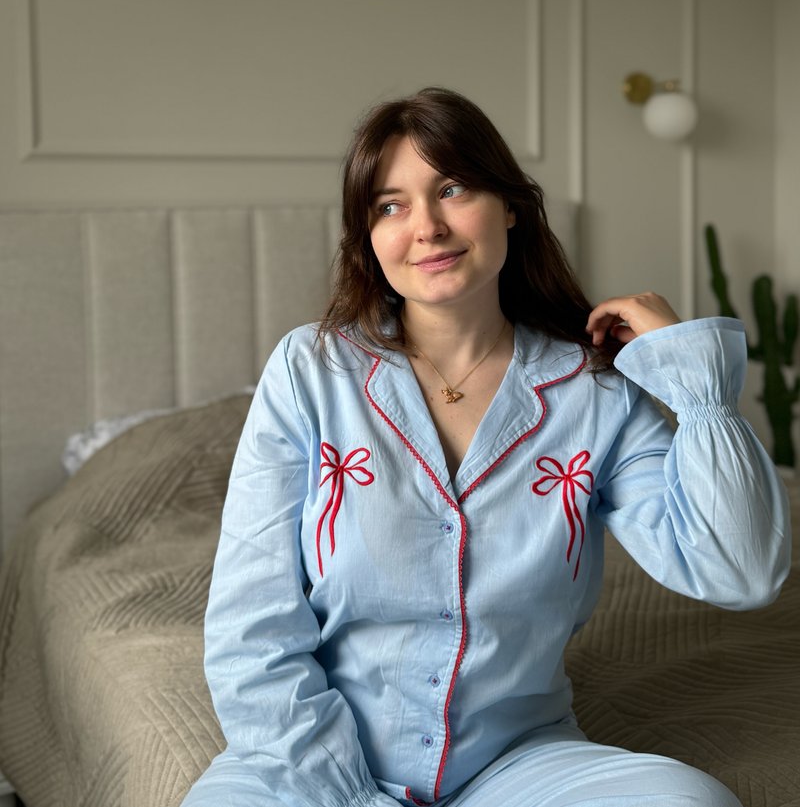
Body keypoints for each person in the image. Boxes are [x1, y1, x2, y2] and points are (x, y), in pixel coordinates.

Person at [184, 86, 790, 807]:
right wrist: (347, 791)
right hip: (309, 760)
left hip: (516, 760)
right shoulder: (311, 371)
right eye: (390, 204)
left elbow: (740, 572)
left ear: (510, 205)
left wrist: (694, 383)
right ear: (368, 238)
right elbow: (250, 629)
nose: (427, 227)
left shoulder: (593, 392)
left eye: (452, 188)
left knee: (693, 801)